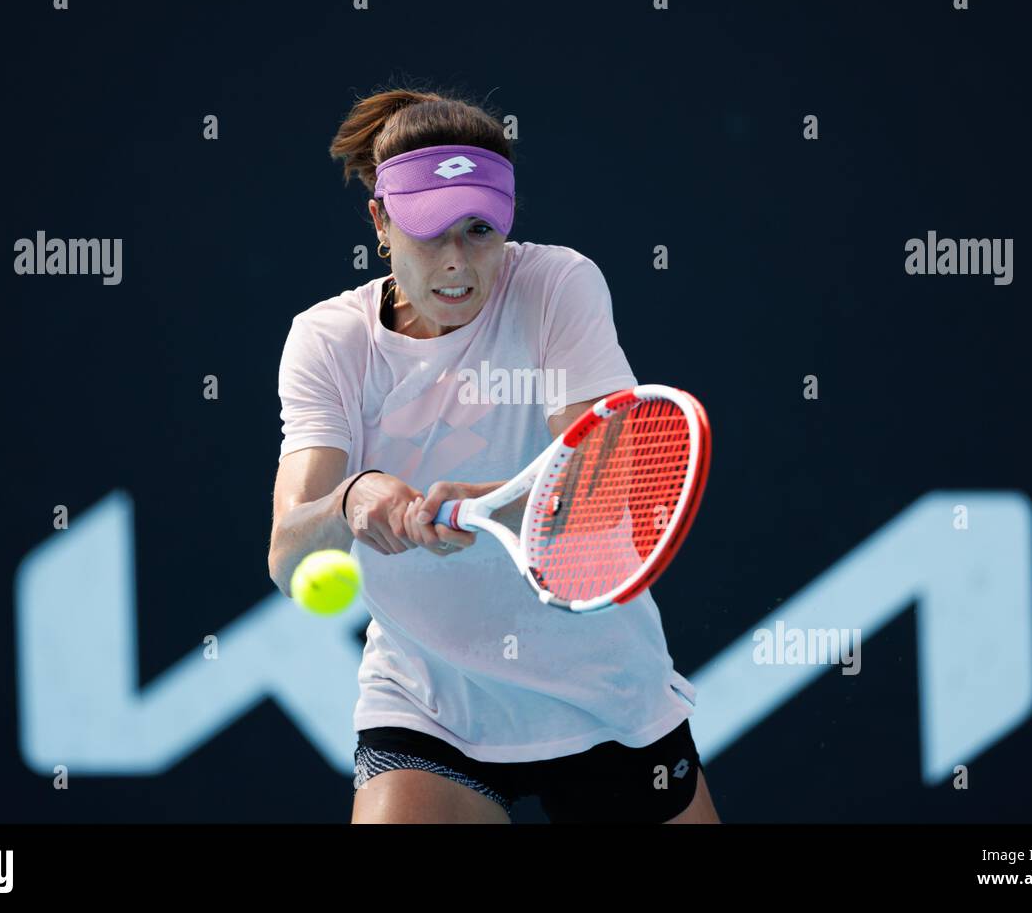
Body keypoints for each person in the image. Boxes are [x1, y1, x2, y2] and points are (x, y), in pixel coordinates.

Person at [267, 85, 719, 823]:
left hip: (602, 693)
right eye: (429, 230)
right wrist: (354, 499)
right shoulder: (328, 340)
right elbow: (287, 555)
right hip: (428, 700)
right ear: (379, 223)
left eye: (480, 230)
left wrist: (492, 503)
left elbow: (601, 491)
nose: (457, 260)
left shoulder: (555, 284)